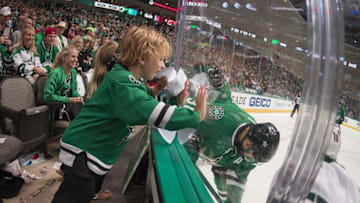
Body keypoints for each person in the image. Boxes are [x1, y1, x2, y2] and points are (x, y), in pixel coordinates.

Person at [52, 26, 208, 203]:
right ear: (142, 58)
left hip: (91, 151)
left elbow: (140, 100)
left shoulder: (126, 78)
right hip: (84, 152)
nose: (163, 66)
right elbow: (148, 110)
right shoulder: (123, 83)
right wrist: (196, 115)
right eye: (161, 60)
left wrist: (165, 94)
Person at [179, 66, 280, 203]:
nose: (251, 160)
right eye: (252, 156)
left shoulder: (250, 149)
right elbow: (221, 99)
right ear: (248, 143)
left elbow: (238, 185)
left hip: (220, 157)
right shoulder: (220, 119)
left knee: (225, 185)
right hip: (209, 142)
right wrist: (191, 144)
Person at [43, 45, 83, 121]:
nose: (76, 60)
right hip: (57, 108)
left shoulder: (73, 72)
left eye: (76, 57)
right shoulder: (55, 73)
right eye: (73, 57)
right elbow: (47, 96)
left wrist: (78, 98)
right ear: (65, 58)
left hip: (69, 106)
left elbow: (74, 91)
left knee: (82, 106)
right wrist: (68, 100)